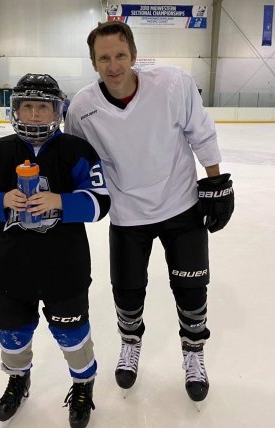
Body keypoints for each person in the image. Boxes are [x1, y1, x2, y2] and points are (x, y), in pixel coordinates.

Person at [65, 21, 234, 405]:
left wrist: (217, 181)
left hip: (181, 205)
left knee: (191, 289)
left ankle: (194, 354)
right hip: (127, 214)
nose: (113, 66)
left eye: (120, 55)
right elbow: (76, 161)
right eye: (104, 58)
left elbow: (201, 132)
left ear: (134, 56)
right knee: (127, 292)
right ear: (93, 63)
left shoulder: (172, 84)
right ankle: (130, 344)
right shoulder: (82, 107)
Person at [0, 73, 110, 428]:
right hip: (11, 270)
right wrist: (0, 201)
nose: (33, 114)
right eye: (26, 106)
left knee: (73, 335)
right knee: (12, 336)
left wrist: (60, 201)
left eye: (42, 107)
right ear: (15, 109)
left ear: (57, 111)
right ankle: (18, 379)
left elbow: (99, 203)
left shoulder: (76, 151)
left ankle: (82, 384)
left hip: (65, 269)